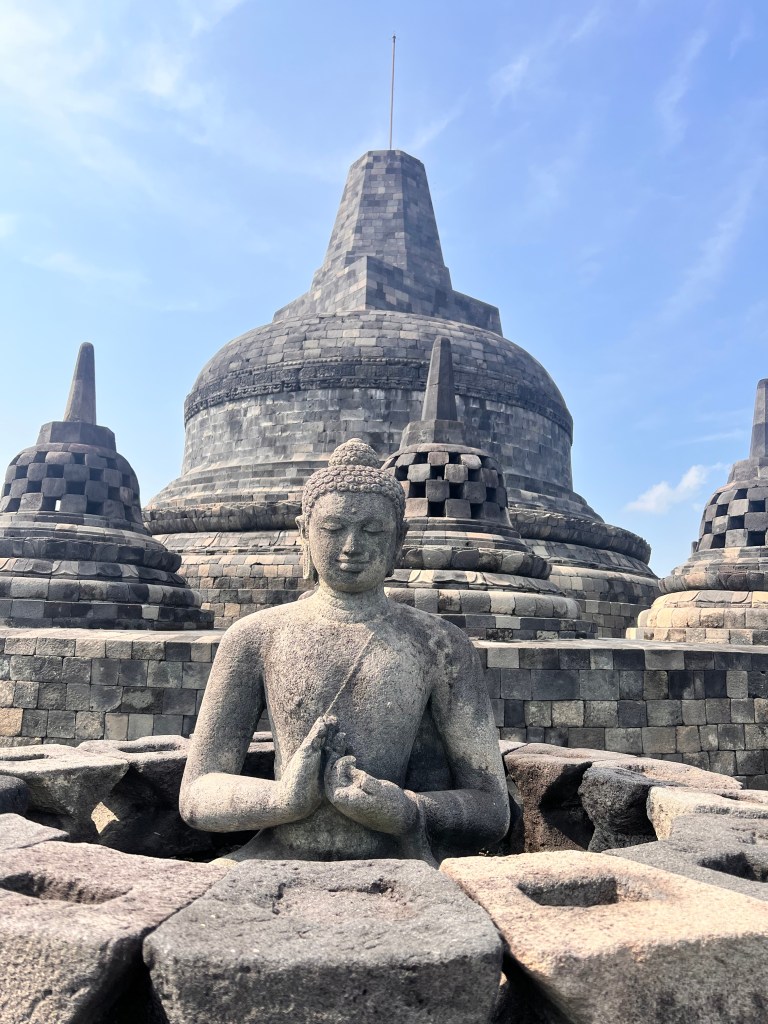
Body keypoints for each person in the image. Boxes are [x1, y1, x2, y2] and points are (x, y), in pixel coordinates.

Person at [180, 439, 509, 863]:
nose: (352, 546)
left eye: (372, 531)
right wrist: (282, 800)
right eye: (333, 529)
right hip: (272, 855)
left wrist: (408, 810)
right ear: (304, 533)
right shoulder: (255, 637)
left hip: (397, 865)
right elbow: (196, 793)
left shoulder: (440, 645)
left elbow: (492, 809)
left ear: (399, 540)